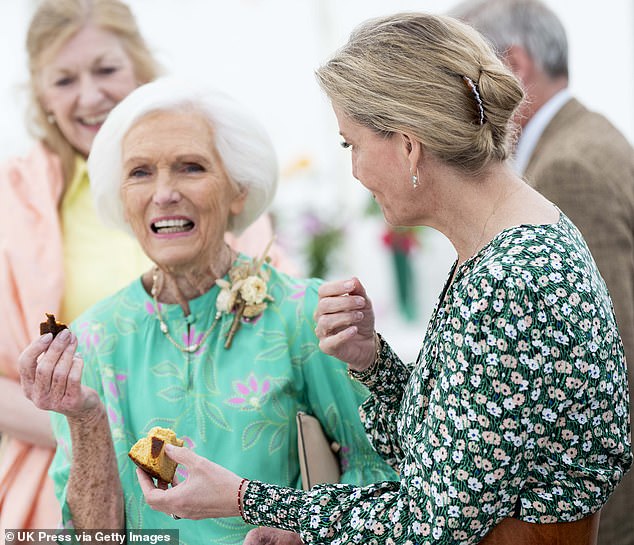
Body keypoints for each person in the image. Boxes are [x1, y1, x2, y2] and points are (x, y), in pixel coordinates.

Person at [124, 13, 630, 544]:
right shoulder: (507, 246)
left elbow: (435, 523)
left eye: (352, 145)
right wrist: (372, 360)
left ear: (409, 145)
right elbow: (450, 460)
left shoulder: (510, 278)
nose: (356, 172)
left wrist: (243, 498)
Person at [17, 76, 398, 545]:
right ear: (122, 199)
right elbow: (92, 537)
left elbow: (382, 470)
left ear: (238, 189)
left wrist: (304, 535)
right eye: (140, 172)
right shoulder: (92, 339)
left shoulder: (303, 313)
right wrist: (85, 418)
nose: (163, 193)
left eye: (190, 167)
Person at [0, 0, 294, 531]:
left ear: (139, 68)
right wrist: (89, 427)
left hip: (225, 473)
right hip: (61, 480)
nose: (90, 95)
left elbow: (279, 326)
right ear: (41, 94)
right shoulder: (10, 204)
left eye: (106, 69)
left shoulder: (209, 183)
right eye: (64, 79)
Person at [448, 3, 634, 543]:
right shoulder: (587, 136)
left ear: (515, 66)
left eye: (455, 82)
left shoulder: (563, 169)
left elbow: (604, 362)